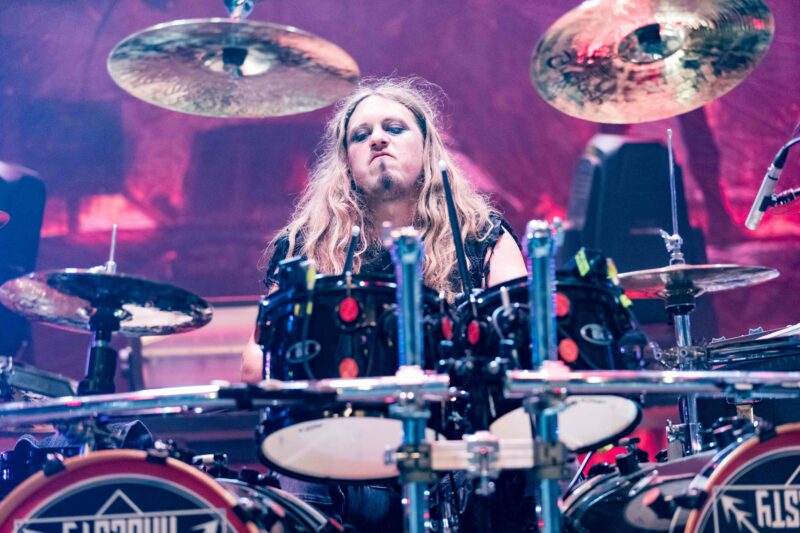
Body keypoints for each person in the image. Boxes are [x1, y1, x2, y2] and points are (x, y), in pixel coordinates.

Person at [241, 77, 528, 532]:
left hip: (460, 456)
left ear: (428, 148)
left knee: (532, 449)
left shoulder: (482, 236)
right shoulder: (305, 246)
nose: (377, 139)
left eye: (394, 128)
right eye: (361, 135)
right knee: (296, 455)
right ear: (346, 162)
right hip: (345, 458)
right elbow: (256, 363)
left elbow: (523, 346)